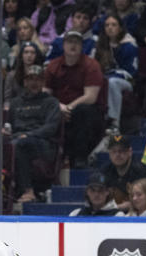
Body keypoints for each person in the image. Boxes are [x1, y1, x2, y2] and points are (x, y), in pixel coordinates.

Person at [44, 30, 105, 169]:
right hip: (58, 109)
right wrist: (59, 107)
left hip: (85, 111)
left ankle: (79, 158)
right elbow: (46, 94)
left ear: (82, 46)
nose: (73, 45)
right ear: (63, 45)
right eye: (70, 42)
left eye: (77, 42)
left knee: (83, 111)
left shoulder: (91, 65)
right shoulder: (53, 66)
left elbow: (90, 97)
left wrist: (69, 108)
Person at [8, 64, 61, 203]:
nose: (34, 83)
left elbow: (51, 128)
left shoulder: (51, 102)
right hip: (17, 137)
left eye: (37, 79)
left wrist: (29, 135)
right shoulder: (15, 103)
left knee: (21, 144)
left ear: (43, 82)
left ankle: (28, 191)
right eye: (30, 79)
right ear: (25, 82)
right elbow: (9, 125)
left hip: (42, 142)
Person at [94, 13, 138, 134]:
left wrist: (108, 75)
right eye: (107, 25)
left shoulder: (129, 45)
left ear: (120, 28)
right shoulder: (101, 45)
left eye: (114, 25)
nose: (110, 27)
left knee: (111, 82)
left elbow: (130, 72)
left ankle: (114, 124)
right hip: (105, 78)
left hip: (126, 80)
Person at [101, 133, 146, 209]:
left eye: (121, 151)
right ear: (109, 153)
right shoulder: (105, 171)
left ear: (130, 152)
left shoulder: (141, 170)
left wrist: (131, 204)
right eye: (114, 151)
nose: (117, 154)